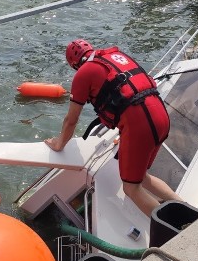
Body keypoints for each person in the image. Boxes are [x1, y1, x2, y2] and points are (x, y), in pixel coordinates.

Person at [44, 39, 182, 216]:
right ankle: (186, 208)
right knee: (142, 177)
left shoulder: (83, 73)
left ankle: (174, 225)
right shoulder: (116, 56)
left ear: (73, 64)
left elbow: (71, 120)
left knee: (131, 188)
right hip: (161, 116)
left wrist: (58, 144)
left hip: (140, 127)